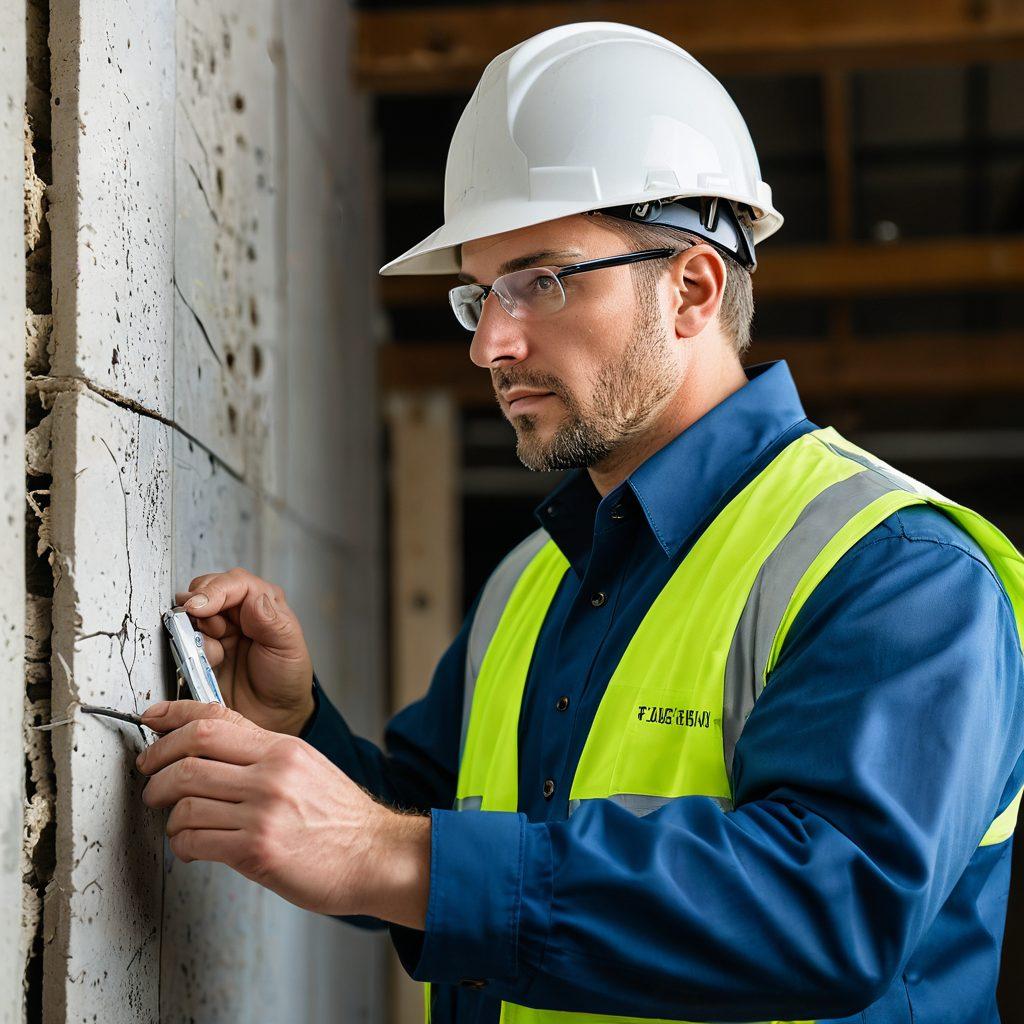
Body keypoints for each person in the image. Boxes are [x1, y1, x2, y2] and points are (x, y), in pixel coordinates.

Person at [136, 22, 1024, 1024]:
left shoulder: (898, 571)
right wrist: (297, 732)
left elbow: (832, 909)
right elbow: (423, 840)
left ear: (692, 288)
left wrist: (383, 851)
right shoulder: (533, 577)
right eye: (481, 294)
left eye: (541, 282)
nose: (490, 343)